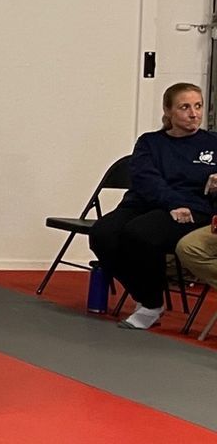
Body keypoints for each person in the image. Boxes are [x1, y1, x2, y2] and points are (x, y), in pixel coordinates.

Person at [90, 83, 217, 330]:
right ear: (168, 111)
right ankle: (145, 294)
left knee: (141, 233)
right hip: (149, 203)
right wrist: (173, 203)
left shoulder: (213, 143)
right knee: (102, 234)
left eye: (198, 106)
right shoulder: (150, 142)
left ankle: (151, 305)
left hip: (193, 209)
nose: (194, 114)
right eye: (185, 107)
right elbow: (147, 180)